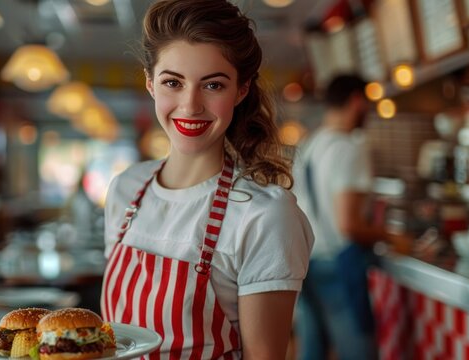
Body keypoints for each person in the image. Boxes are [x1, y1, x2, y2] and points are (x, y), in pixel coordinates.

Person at [100, 1, 314, 358]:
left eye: (213, 85)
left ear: (241, 90)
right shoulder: (125, 189)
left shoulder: (264, 216)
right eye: (173, 82)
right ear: (150, 83)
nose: (190, 105)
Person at [292, 74, 389, 360]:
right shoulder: (349, 148)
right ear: (357, 100)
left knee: (312, 352)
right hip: (337, 263)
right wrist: (392, 236)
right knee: (358, 351)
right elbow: (349, 225)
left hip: (307, 261)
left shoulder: (310, 146)